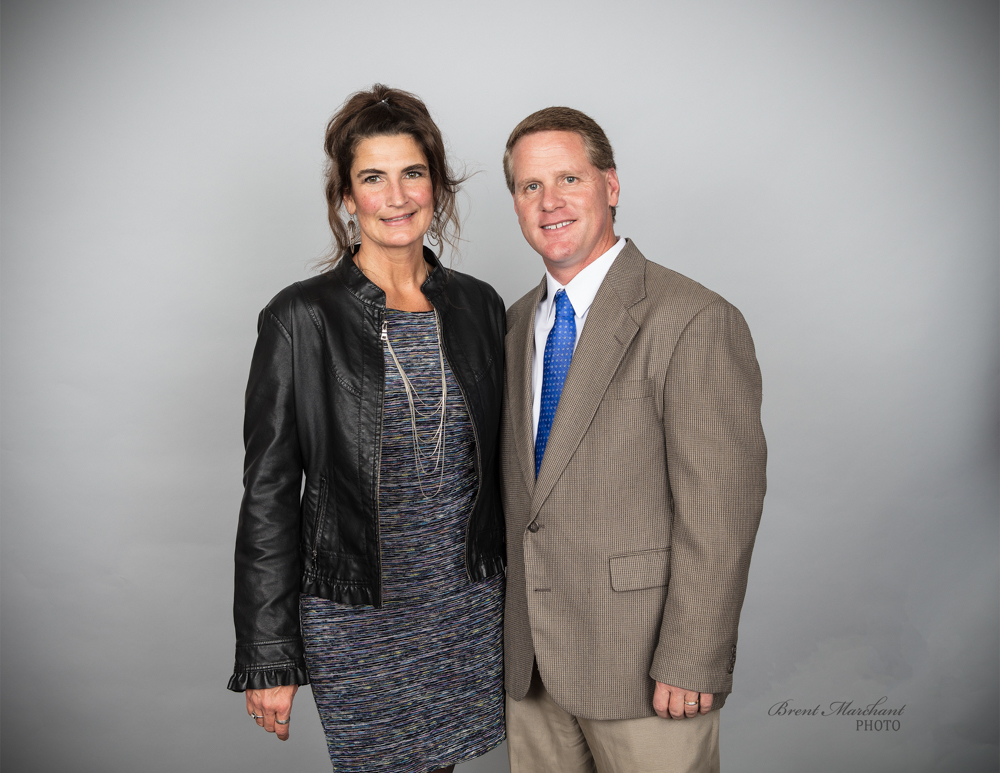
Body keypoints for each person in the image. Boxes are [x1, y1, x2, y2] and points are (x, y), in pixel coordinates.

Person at [227, 85, 507, 773]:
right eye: (373, 177)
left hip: (466, 604)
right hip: (357, 611)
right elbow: (268, 495)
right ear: (347, 197)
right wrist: (269, 653)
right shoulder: (301, 319)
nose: (396, 196)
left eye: (413, 173)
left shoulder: (479, 306)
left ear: (437, 187)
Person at [499, 107, 767, 773]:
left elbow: (721, 512)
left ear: (611, 185)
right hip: (532, 671)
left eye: (569, 178)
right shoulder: (510, 326)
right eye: (530, 186)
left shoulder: (693, 318)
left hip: (646, 669)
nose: (550, 202)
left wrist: (694, 655)